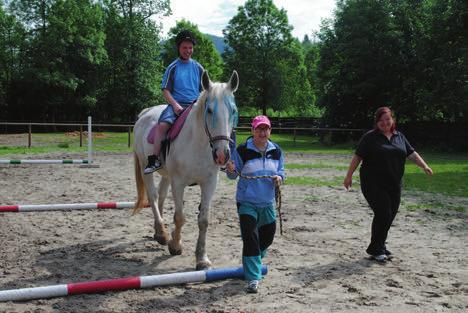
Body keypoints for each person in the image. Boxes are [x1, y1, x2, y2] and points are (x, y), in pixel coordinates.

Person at [343, 107, 433, 262]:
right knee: (383, 213)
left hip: (394, 183)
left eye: (387, 119)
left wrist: (424, 165)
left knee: (390, 215)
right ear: (377, 122)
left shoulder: (400, 137)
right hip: (373, 183)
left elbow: (411, 153)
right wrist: (348, 176)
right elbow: (357, 157)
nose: (385, 123)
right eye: (381, 120)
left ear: (393, 120)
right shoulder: (370, 138)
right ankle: (376, 249)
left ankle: (379, 245)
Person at [225, 115, 285, 293]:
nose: (262, 132)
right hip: (247, 202)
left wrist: (279, 178)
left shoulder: (277, 150)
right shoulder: (243, 150)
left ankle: (254, 260)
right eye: (259, 129)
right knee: (250, 238)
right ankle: (253, 279)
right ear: (252, 131)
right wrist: (230, 169)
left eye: (265, 129)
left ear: (270, 131)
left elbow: (281, 170)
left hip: (267, 202)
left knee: (267, 237)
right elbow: (232, 175)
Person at [144, 29, 204, 174]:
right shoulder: (173, 67)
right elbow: (166, 90)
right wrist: (175, 105)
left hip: (194, 104)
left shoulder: (198, 68)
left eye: (190, 47)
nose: (188, 50)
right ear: (178, 48)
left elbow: (204, 91)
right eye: (184, 47)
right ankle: (154, 159)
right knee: (162, 125)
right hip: (176, 104)